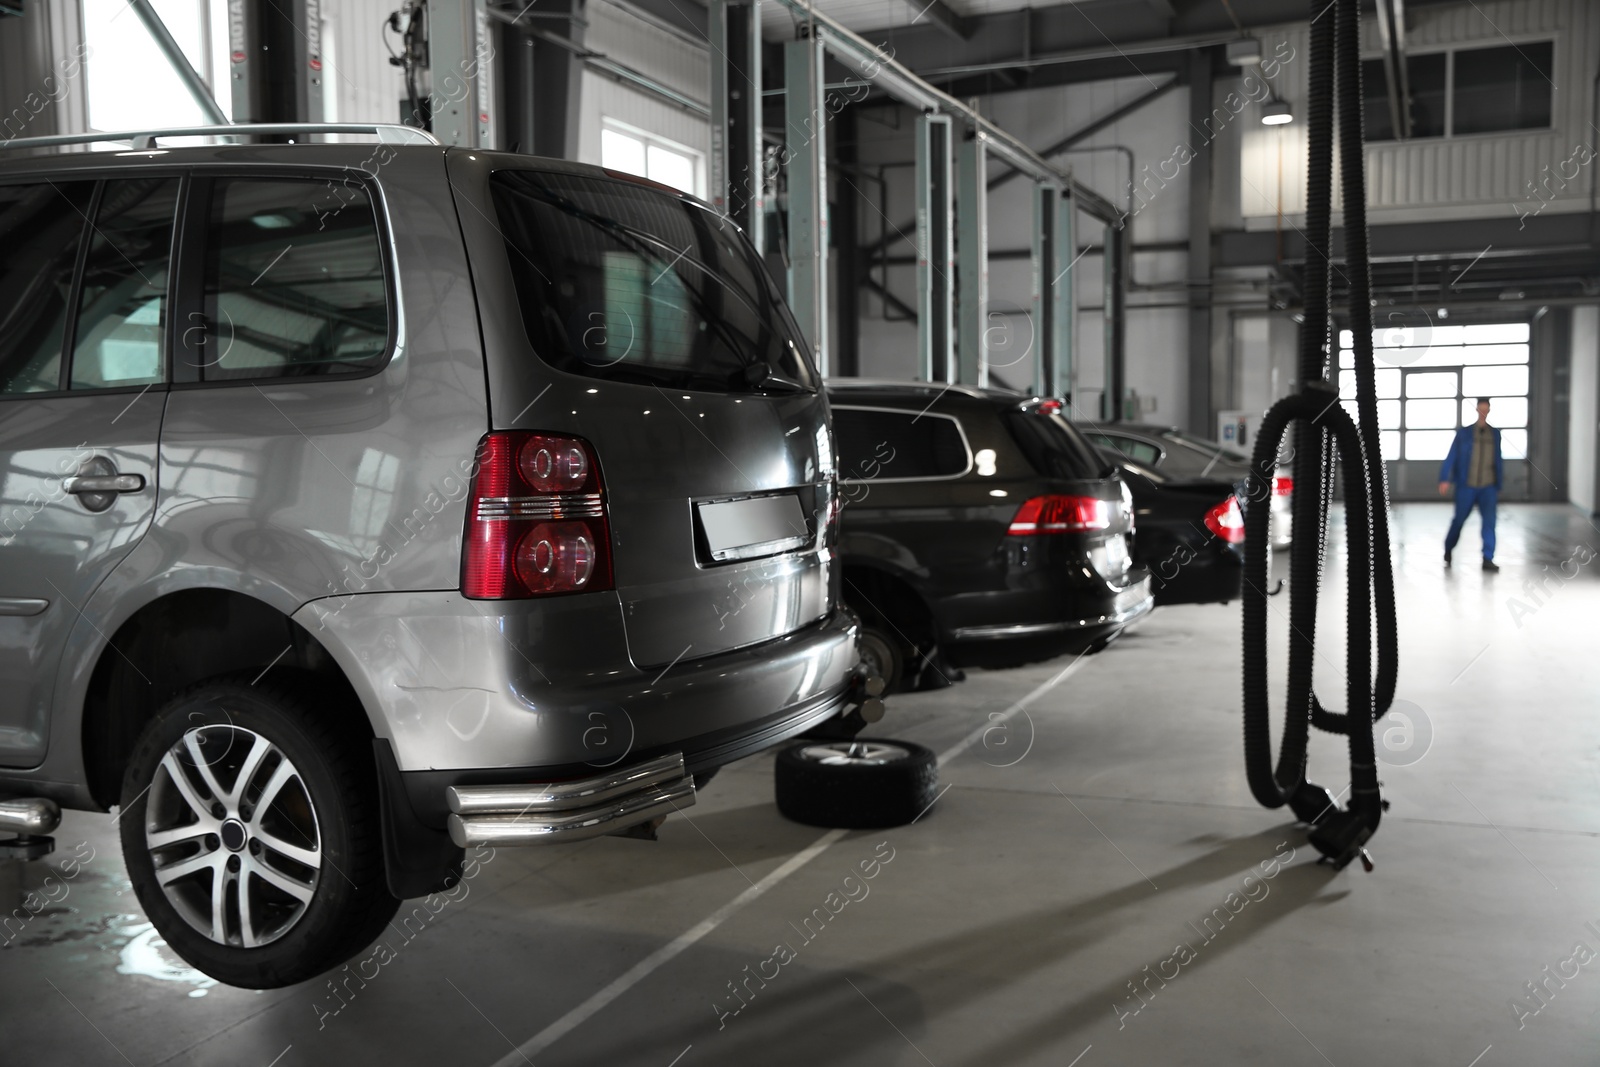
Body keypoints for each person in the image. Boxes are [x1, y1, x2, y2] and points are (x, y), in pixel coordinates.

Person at [1439, 397, 1503, 571]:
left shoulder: (1495, 434)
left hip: (1488, 486)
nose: (1483, 412)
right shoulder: (1464, 433)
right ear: (1476, 410)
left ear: (1489, 410)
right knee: (1458, 520)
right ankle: (1448, 548)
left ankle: (1487, 558)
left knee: (1490, 522)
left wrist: (1499, 484)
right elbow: (1452, 455)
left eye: (1486, 409)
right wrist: (1445, 478)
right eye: (1480, 409)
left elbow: (1498, 459)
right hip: (1466, 485)